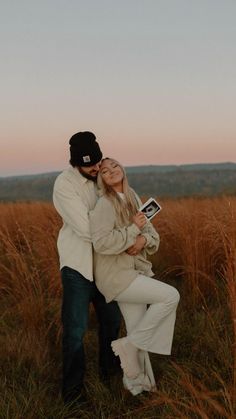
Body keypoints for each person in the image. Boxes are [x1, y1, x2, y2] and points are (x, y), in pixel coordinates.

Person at [90, 158, 180, 395]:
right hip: (116, 276)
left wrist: (142, 240)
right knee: (171, 296)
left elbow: (152, 235)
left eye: (114, 166)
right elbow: (101, 243)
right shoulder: (104, 205)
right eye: (105, 170)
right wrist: (132, 231)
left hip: (134, 270)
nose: (111, 171)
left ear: (122, 169)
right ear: (101, 179)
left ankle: (139, 386)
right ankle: (129, 346)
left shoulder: (133, 196)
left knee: (138, 329)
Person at [53, 133, 121, 405]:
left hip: (107, 266)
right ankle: (72, 395)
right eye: (88, 165)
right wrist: (121, 235)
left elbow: (124, 207)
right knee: (75, 331)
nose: (95, 168)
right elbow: (87, 229)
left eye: (97, 161)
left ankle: (111, 377)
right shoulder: (64, 184)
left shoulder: (105, 173)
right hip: (78, 267)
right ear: (75, 163)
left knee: (112, 322)